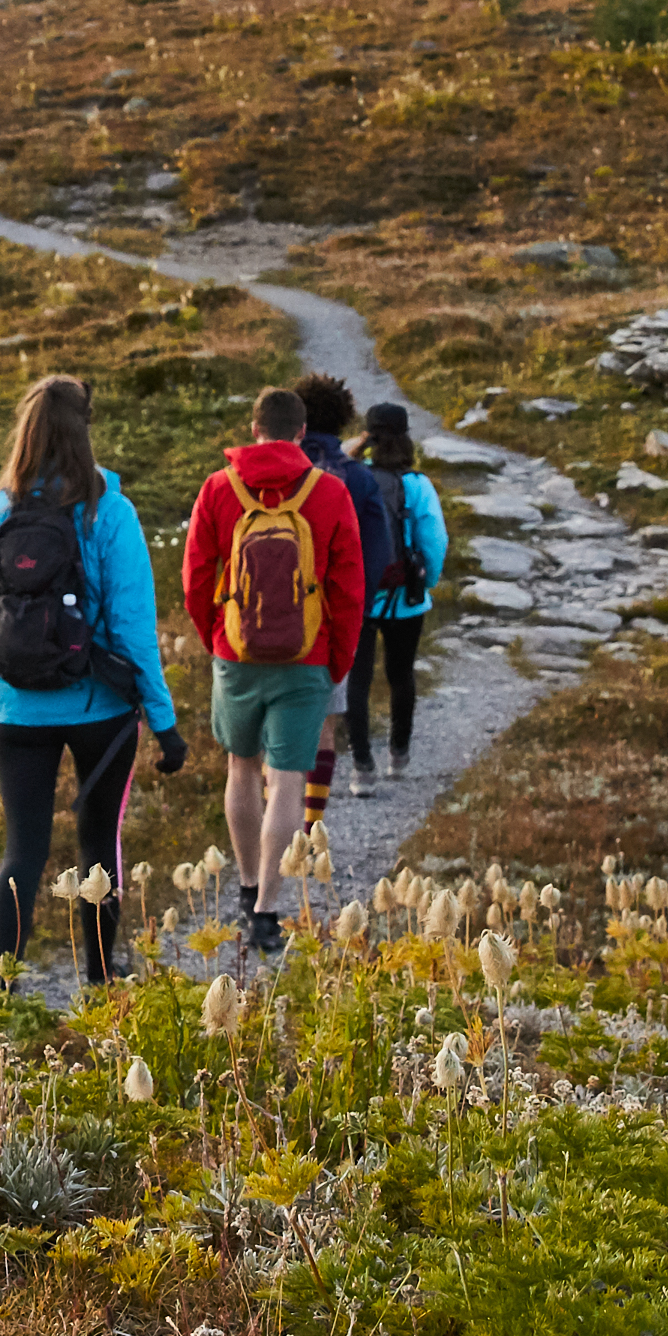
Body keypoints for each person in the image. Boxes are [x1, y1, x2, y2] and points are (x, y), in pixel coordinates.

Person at [0, 372, 183, 983]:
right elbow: (135, 628)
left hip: (16, 712)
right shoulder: (108, 510)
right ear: (84, 431)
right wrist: (163, 723)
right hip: (101, 712)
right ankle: (101, 984)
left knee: (22, 852)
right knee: (97, 848)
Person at [179, 383, 361, 959]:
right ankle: (266, 914)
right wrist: (338, 659)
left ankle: (247, 883)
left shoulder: (219, 488)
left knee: (241, 767)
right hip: (308, 656)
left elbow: (196, 578)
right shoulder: (329, 491)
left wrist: (217, 637)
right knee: (287, 780)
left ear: (254, 429)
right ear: (302, 433)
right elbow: (348, 587)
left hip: (236, 654)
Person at [290, 375, 405, 819]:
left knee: (266, 736)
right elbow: (377, 558)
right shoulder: (356, 479)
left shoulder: (261, 474)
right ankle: (311, 825)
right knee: (323, 722)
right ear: (343, 420)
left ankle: (272, 813)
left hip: (258, 620)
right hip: (329, 620)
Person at [346, 398, 446, 776]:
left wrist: (354, 449)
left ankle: (361, 766)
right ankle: (398, 754)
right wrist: (425, 583)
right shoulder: (417, 485)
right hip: (405, 598)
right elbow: (434, 542)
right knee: (401, 673)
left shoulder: (354, 479)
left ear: (368, 437)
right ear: (406, 437)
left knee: (359, 678)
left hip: (360, 597)